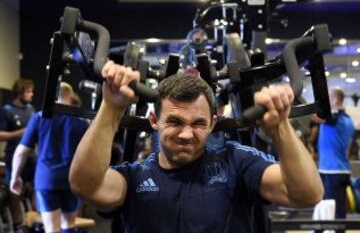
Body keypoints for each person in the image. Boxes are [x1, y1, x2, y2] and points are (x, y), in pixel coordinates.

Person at [69, 61, 323, 232]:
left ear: (213, 123)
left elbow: (307, 194)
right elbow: (84, 185)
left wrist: (280, 129)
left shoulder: (237, 163)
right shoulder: (134, 177)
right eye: (175, 122)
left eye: (198, 123)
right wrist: (111, 108)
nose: (187, 134)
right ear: (154, 120)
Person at [10, 82, 89, 233]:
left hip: (47, 180)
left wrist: (15, 176)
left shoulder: (39, 117)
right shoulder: (81, 122)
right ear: (70, 96)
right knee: (69, 225)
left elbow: (22, 151)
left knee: (52, 229)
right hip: (72, 180)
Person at [0, 78, 35, 232]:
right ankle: (18, 225)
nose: (32, 94)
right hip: (13, 156)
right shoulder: (7, 110)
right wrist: (19, 133)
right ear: (20, 92)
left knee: (38, 188)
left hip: (31, 157)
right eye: (28, 91)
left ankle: (35, 221)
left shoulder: (31, 109)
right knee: (14, 192)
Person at [316, 87, 355, 222]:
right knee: (338, 210)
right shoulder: (349, 120)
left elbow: (315, 116)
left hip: (332, 170)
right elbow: (349, 147)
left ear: (336, 99)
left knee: (332, 210)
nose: (327, 101)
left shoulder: (334, 119)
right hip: (342, 169)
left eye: (329, 98)